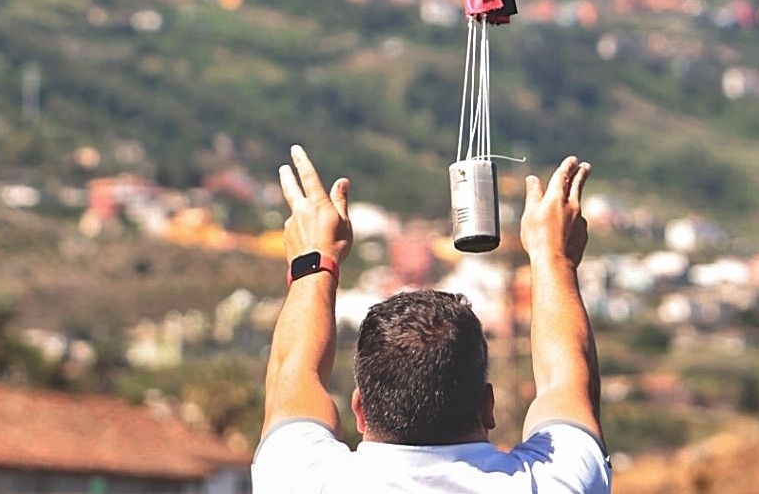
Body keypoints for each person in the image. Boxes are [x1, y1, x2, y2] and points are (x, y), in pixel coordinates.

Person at [252, 144, 609, 493]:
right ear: (488, 407)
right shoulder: (553, 483)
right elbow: (568, 380)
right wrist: (555, 258)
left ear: (360, 409)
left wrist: (315, 259)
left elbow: (292, 374)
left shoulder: (302, 480)